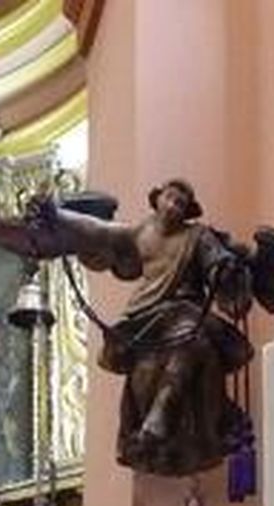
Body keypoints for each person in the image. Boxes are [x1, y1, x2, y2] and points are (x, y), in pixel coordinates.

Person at [20, 178, 253, 477]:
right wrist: (55, 213)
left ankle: (160, 419)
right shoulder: (139, 233)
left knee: (192, 340)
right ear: (157, 200)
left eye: (180, 203)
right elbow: (97, 230)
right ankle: (146, 429)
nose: (172, 206)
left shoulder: (198, 236)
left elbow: (215, 261)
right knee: (151, 355)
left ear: (187, 212)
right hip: (146, 316)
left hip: (186, 311)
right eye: (169, 198)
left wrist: (223, 268)